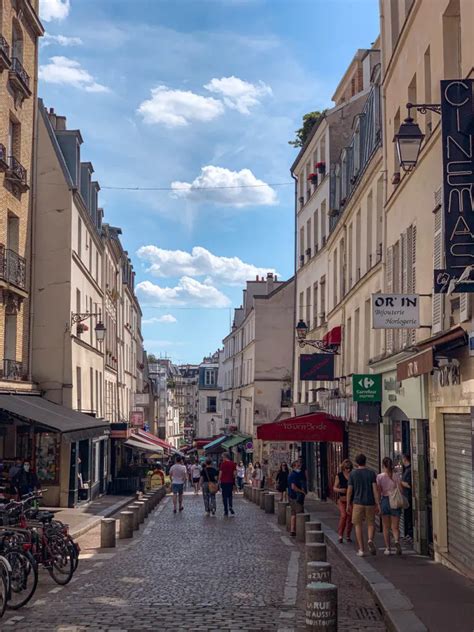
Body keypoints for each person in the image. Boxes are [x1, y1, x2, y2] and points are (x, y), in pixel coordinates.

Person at [347, 453, 380, 557]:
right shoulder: (371, 473)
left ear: (356, 463)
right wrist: (377, 503)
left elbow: (349, 490)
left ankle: (361, 549)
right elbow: (375, 489)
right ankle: (370, 539)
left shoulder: (353, 474)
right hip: (370, 502)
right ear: (365, 461)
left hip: (357, 503)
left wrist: (348, 503)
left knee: (358, 525)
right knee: (371, 523)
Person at [377, 457, 403, 555]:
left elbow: (379, 491)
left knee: (386, 527)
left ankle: (388, 548)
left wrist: (378, 503)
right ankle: (396, 541)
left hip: (385, 501)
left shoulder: (379, 477)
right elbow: (401, 490)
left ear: (383, 465)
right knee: (395, 527)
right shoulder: (396, 476)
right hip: (395, 501)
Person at [333, 459, 353, 544]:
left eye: (349, 468)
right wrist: (340, 490)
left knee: (350, 518)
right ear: (343, 468)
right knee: (343, 515)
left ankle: (348, 535)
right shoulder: (339, 476)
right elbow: (334, 487)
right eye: (346, 468)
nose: (348, 470)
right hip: (342, 500)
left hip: (351, 500)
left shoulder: (352, 475)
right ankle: (340, 535)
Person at [287, 459, 306, 536]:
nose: (299, 467)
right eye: (298, 465)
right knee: (299, 513)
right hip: (295, 496)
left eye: (300, 465)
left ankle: (292, 529)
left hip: (291, 496)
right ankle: (299, 531)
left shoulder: (291, 474)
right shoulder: (294, 475)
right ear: (294, 466)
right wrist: (302, 491)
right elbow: (293, 486)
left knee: (293, 513)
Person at [401, 454, 413, 542]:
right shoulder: (407, 470)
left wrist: (401, 483)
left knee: (409, 515)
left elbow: (409, 485)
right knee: (407, 515)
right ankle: (409, 533)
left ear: (405, 460)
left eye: (402, 460)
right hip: (406, 496)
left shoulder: (409, 470)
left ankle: (410, 534)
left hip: (408, 496)